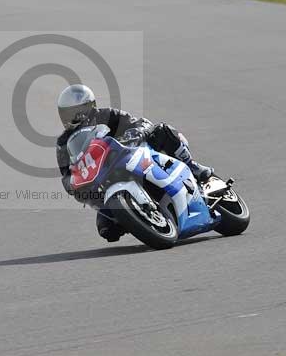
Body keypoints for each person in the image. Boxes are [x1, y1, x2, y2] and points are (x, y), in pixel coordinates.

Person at [55, 84, 214, 242]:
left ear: (88, 107)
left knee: (161, 130)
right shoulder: (63, 143)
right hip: (103, 179)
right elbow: (66, 176)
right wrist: (73, 185)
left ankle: (192, 165)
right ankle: (142, 217)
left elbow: (139, 122)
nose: (71, 119)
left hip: (130, 153)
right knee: (107, 230)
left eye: (76, 113)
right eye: (67, 114)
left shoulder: (106, 115)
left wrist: (133, 133)